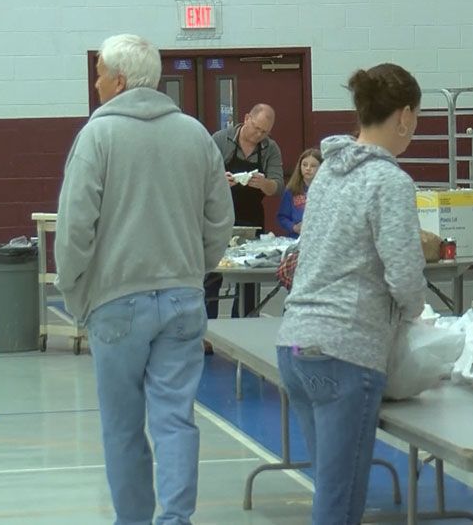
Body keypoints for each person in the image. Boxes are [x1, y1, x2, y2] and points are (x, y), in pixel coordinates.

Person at [54, 33, 234, 525]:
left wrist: (75, 294)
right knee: (176, 420)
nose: (94, 84)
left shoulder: (97, 136)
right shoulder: (196, 134)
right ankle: (176, 520)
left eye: (98, 74)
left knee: (123, 427)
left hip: (115, 302)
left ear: (117, 80)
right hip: (182, 301)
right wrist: (193, 270)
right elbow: (221, 219)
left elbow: (74, 227)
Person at [276, 63, 427, 525]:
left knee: (330, 486)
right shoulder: (389, 181)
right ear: (403, 116)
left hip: (297, 344)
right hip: (345, 349)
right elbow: (403, 273)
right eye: (416, 117)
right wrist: (417, 309)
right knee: (340, 505)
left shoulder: (326, 174)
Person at [206, 103, 285, 319]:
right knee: (211, 277)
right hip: (218, 217)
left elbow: (278, 186)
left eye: (264, 132)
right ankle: (207, 332)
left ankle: (244, 323)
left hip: (252, 220)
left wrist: (264, 184)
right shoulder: (220, 139)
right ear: (247, 117)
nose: (259, 134)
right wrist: (218, 181)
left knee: (250, 280)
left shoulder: (270, 148)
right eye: (256, 128)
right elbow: (201, 176)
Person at [276, 147, 322, 238]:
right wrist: (294, 227)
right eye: (304, 165)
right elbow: (282, 217)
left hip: (319, 239)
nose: (308, 168)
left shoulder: (326, 190)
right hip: (296, 239)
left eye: (313, 166)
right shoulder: (291, 190)